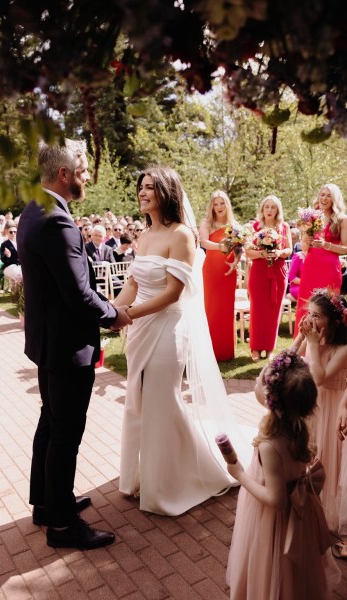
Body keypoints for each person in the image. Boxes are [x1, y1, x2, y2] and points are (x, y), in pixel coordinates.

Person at [114, 165, 253, 516]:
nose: (142, 193)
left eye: (149, 187)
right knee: (137, 400)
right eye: (140, 187)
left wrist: (128, 314)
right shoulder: (144, 235)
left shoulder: (183, 236)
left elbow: (173, 293)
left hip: (166, 329)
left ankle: (177, 480)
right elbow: (132, 284)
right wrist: (109, 311)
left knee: (162, 402)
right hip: (140, 329)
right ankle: (136, 476)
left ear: (166, 192)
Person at [17, 139, 131, 550]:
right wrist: (115, 315)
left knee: (51, 424)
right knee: (66, 433)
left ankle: (49, 504)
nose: (85, 178)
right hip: (66, 348)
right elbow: (79, 293)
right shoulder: (58, 220)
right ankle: (62, 527)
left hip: (48, 342)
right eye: (82, 171)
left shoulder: (33, 210)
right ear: (64, 174)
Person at [227, 350, 340, 599]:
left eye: (263, 385)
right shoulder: (301, 426)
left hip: (273, 520)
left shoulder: (270, 445)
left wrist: (241, 476)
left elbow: (277, 500)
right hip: (301, 516)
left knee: (273, 566)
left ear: (271, 401)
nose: (259, 385)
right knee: (296, 573)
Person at [290, 288, 347, 536]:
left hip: (332, 409)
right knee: (309, 455)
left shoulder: (343, 349)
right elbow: (290, 360)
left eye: (318, 316)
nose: (311, 321)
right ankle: (307, 503)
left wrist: (312, 343)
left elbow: (319, 378)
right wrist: (301, 340)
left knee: (327, 460)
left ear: (333, 322)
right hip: (313, 408)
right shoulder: (313, 341)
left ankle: (326, 511)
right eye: (309, 314)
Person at [294, 184, 347, 335]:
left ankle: (327, 348)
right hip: (310, 268)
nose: (324, 198)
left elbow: (346, 248)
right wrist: (305, 235)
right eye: (322, 194)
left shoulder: (342, 219)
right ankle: (303, 350)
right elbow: (305, 248)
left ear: (335, 198)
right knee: (306, 306)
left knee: (328, 308)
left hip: (330, 269)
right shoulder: (312, 217)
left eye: (328, 195)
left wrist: (327, 245)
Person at [246, 195, 292, 362]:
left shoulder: (284, 226)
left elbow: (289, 250)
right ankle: (255, 348)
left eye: (273, 207)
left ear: (278, 210)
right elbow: (248, 252)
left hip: (278, 272)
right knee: (257, 310)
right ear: (262, 209)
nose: (270, 210)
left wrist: (279, 253)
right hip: (259, 272)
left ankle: (269, 348)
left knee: (274, 311)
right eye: (267, 207)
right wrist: (261, 253)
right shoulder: (255, 227)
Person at [200, 190, 239, 361]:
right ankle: (210, 352)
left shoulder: (234, 224)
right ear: (212, 207)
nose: (219, 207)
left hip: (229, 269)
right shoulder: (207, 223)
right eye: (216, 204)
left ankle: (225, 351)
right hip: (211, 269)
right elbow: (203, 242)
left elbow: (239, 247)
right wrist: (220, 246)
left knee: (226, 309)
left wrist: (236, 261)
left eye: (222, 203)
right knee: (212, 308)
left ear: (227, 205)